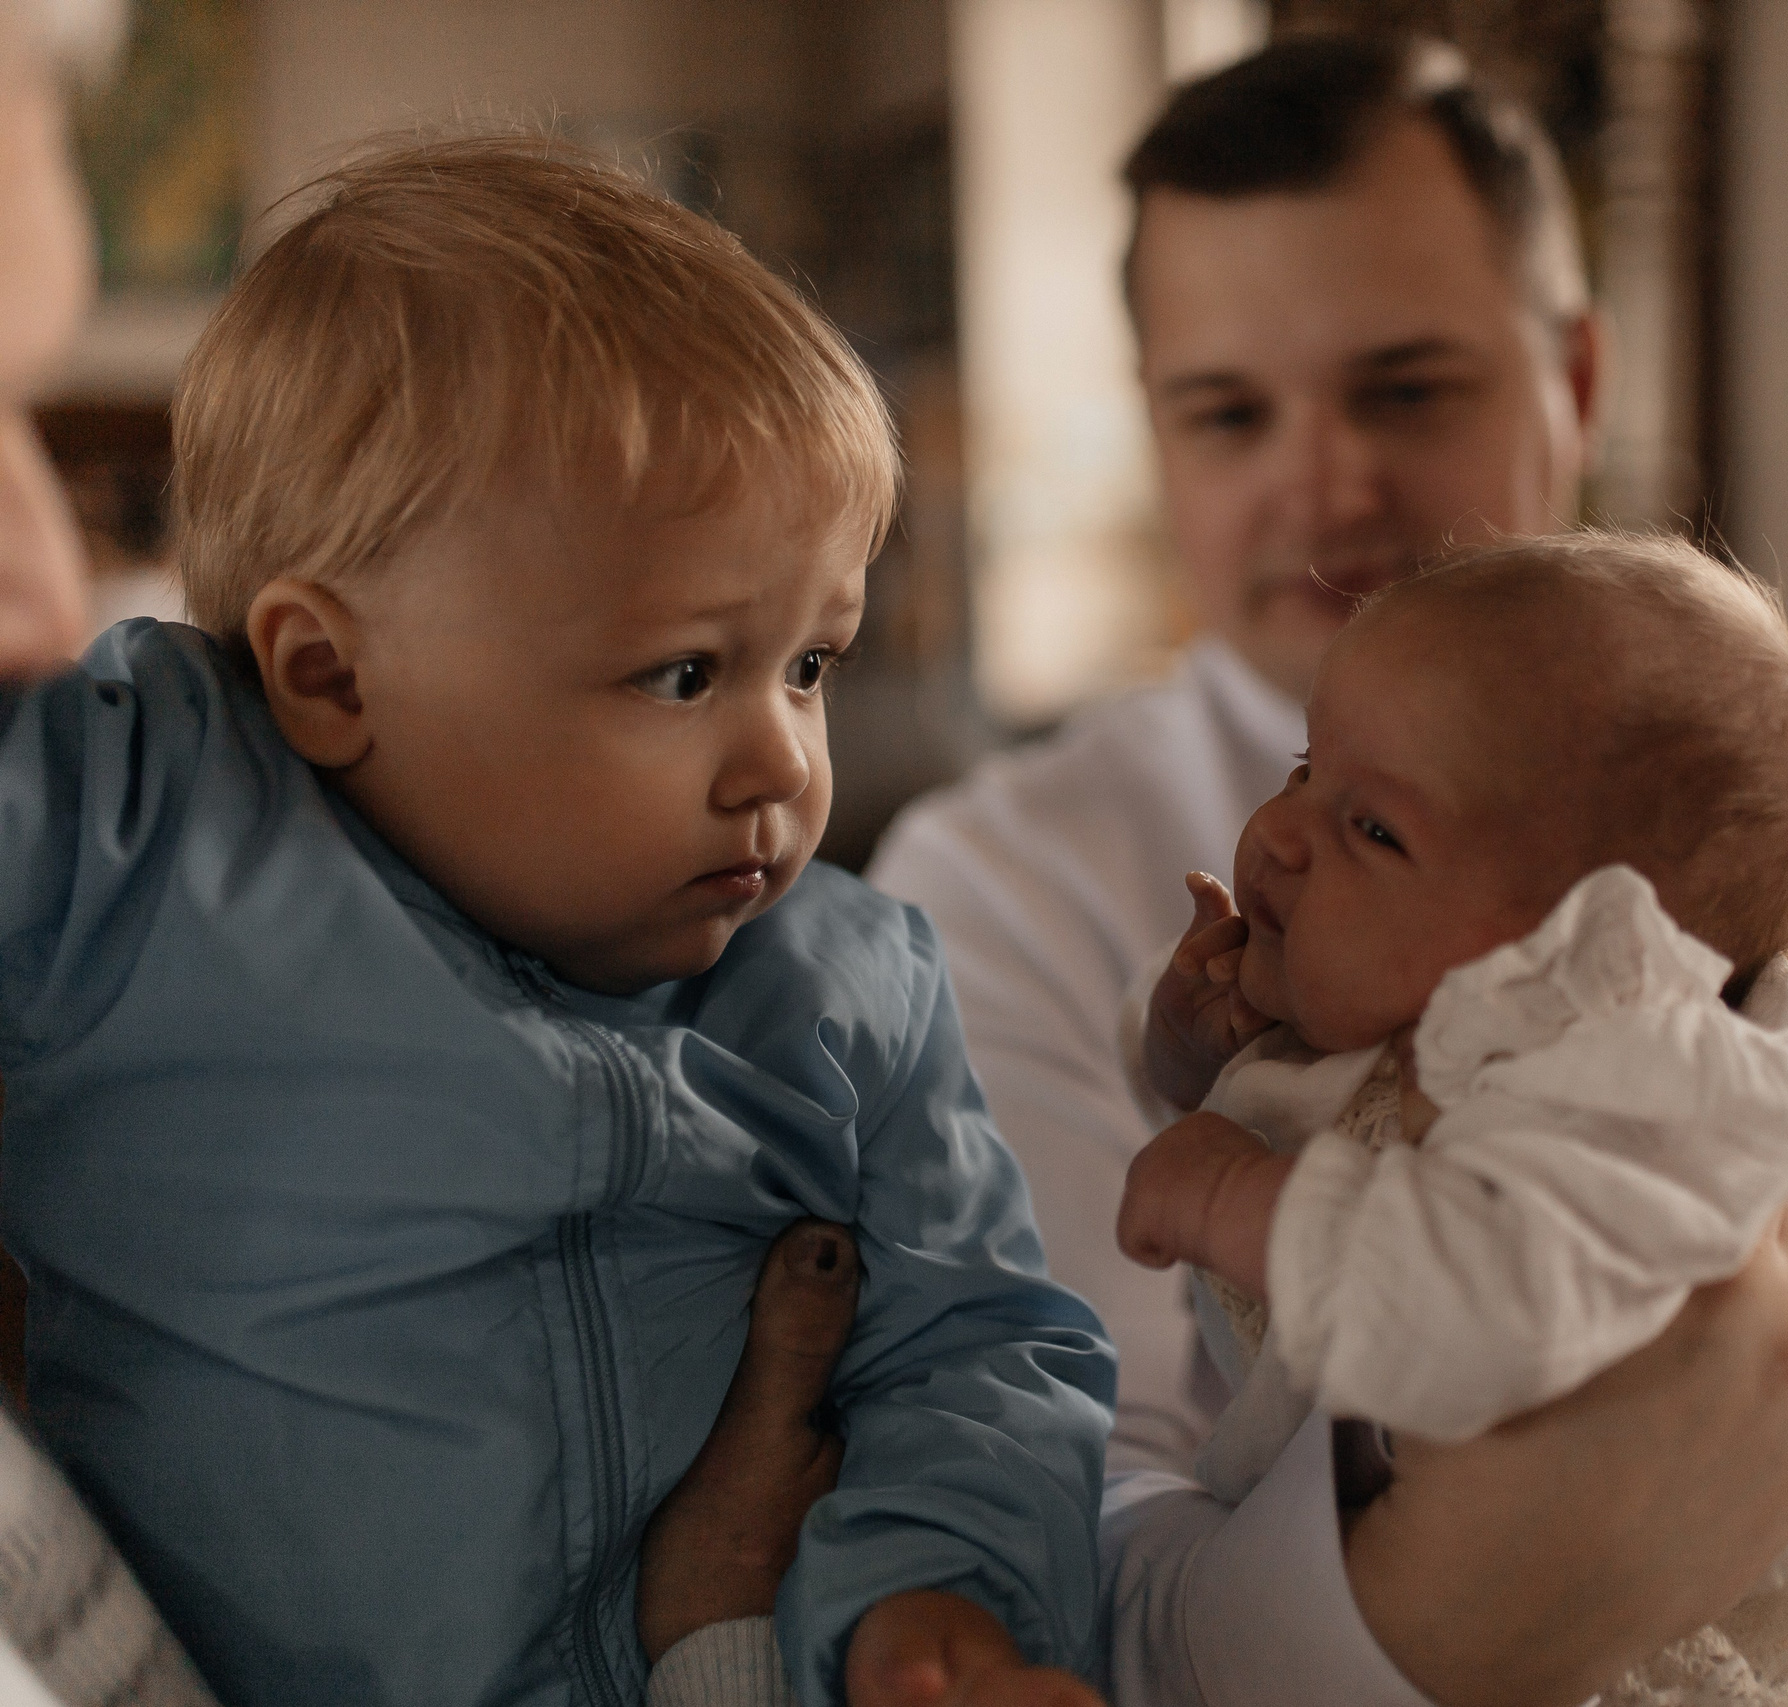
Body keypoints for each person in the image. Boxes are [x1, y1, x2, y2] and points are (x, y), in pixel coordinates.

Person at [868, 35, 1788, 1702]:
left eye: (1409, 385)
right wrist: (1456, 1588)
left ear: (1575, 377)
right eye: (1227, 410)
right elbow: (1057, 1510)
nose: (1324, 478)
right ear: (1158, 437)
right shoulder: (997, 881)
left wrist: (1567, 1364)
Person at [0, 131, 1114, 1707]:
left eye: (812, 662)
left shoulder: (846, 987)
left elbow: (982, 1342)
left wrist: (940, 1595)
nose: (782, 763)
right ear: (327, 674)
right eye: (684, 673)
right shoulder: (149, 856)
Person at [1115, 535, 1788, 1707]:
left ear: (1592, 957)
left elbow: (1481, 1296)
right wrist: (1197, 1041)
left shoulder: (1611, 1102)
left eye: (1375, 830)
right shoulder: (1403, 1013)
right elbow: (1264, 1096)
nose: (1278, 834)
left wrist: (1234, 1199)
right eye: (1304, 769)